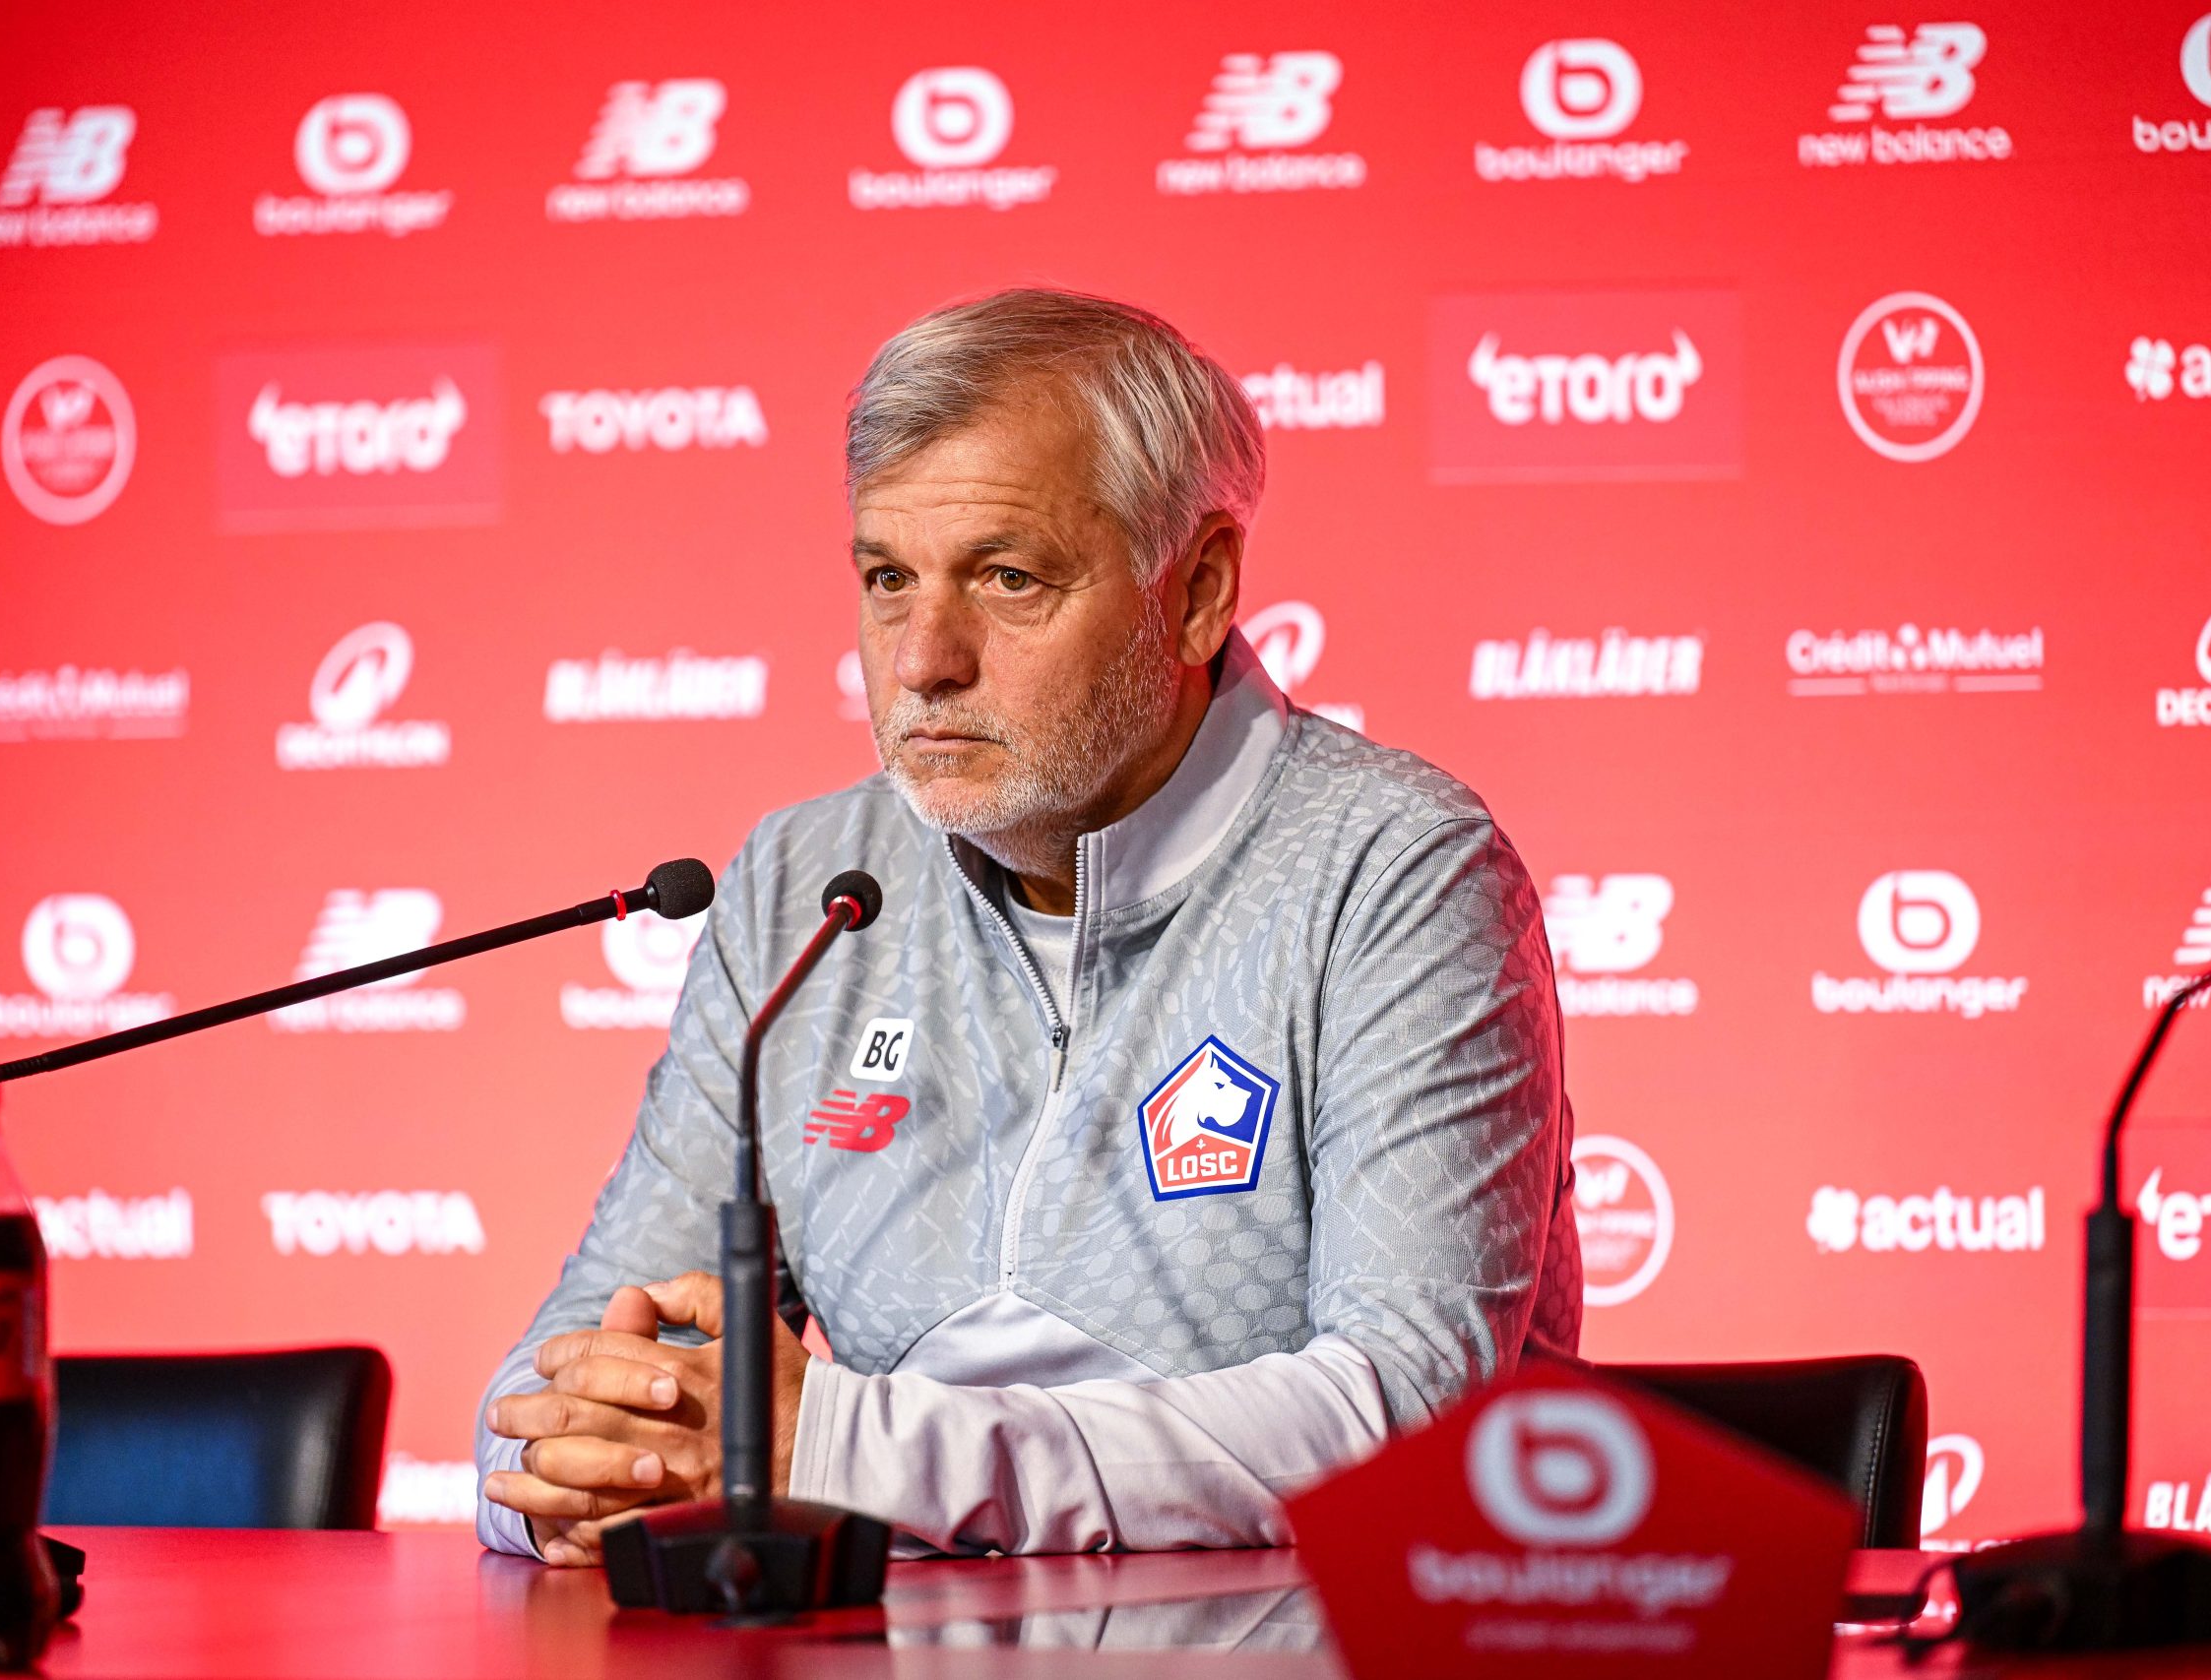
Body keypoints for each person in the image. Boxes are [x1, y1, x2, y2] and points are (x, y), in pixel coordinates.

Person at [475, 287, 1581, 1563]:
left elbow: (1410, 1414)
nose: (922, 659)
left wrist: (848, 1452)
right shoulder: (803, 885)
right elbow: (552, 1382)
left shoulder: (1394, 869)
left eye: (1007, 579)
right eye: (888, 580)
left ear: (1198, 590)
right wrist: (565, 1479)